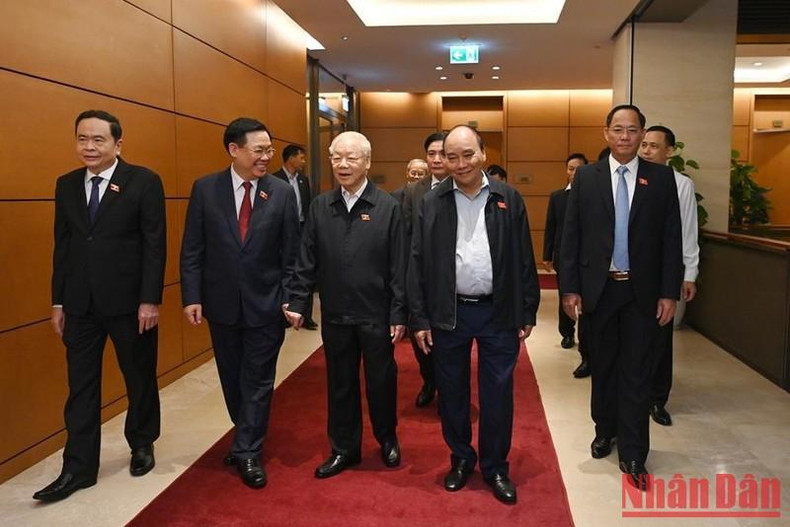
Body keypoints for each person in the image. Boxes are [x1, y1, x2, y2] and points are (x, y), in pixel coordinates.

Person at [35, 110, 166, 502]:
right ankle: (78, 468)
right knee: (81, 387)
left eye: (98, 140)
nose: (89, 147)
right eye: (82, 139)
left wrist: (150, 299)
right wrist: (58, 301)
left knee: (138, 376)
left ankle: (142, 442)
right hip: (80, 305)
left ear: (117, 144)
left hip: (130, 304)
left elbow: (154, 245)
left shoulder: (143, 181)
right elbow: (64, 246)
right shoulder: (66, 184)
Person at [408, 125, 540, 505]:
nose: (460, 163)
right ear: (443, 159)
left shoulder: (508, 198)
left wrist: (526, 308)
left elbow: (523, 260)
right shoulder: (430, 203)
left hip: (498, 313)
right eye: (452, 156)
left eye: (468, 154)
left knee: (497, 393)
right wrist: (419, 318)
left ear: (483, 154)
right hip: (449, 314)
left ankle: (496, 467)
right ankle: (461, 459)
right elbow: (416, 263)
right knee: (452, 393)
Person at [559, 104, 682, 491]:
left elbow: (670, 240)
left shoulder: (662, 180)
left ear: (642, 134)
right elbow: (571, 236)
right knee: (604, 366)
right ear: (606, 133)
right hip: (600, 290)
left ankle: (634, 452)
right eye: (617, 129)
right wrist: (570, 287)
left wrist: (668, 292)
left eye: (632, 130)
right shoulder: (588, 178)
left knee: (636, 372)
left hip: (641, 293)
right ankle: (604, 430)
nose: (625, 137)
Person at [180, 118, 300, 489]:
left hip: (266, 304)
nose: (267, 157)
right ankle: (245, 431)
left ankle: (248, 450)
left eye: (269, 150)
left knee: (259, 379)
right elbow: (193, 249)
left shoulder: (280, 192)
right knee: (232, 378)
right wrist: (192, 296)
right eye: (259, 150)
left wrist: (291, 298)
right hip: (221, 304)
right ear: (234, 149)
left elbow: (291, 254)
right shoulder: (205, 189)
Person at [284, 131, 407, 480]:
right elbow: (306, 259)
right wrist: (298, 300)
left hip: (376, 315)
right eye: (336, 157)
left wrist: (399, 312)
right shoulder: (321, 206)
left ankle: (387, 438)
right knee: (340, 384)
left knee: (381, 382)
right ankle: (344, 448)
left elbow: (400, 265)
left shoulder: (388, 207)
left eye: (351, 158)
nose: (343, 164)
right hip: (337, 314)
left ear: (367, 162)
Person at [639, 124, 699, 427]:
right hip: (632, 276)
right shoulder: (631, 177)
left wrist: (689, 273)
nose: (647, 150)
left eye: (653, 145)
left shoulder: (680, 184)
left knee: (660, 339)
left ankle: (657, 398)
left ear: (670, 151)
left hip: (663, 275)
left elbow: (687, 233)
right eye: (644, 144)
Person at [401, 132, 448, 408]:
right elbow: (407, 238)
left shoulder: (460, 186)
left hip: (453, 281)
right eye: (431, 153)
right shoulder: (413, 191)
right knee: (421, 338)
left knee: (449, 343)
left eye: (443, 153)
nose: (437, 159)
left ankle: (448, 390)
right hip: (420, 279)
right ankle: (429, 381)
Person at [543, 153, 591, 378]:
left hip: (589, 260)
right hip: (564, 257)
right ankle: (567, 333)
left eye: (579, 169)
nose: (574, 173)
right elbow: (550, 227)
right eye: (571, 168)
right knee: (566, 295)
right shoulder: (557, 197)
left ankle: (586, 346)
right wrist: (547, 255)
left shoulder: (594, 195)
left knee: (587, 303)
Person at [273, 144, 318, 330]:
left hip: (302, 228)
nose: (304, 161)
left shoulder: (303, 180)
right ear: (290, 158)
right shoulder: (275, 179)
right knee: (285, 269)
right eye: (301, 157)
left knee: (305, 269)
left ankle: (305, 314)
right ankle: (284, 312)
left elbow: (307, 206)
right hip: (283, 231)